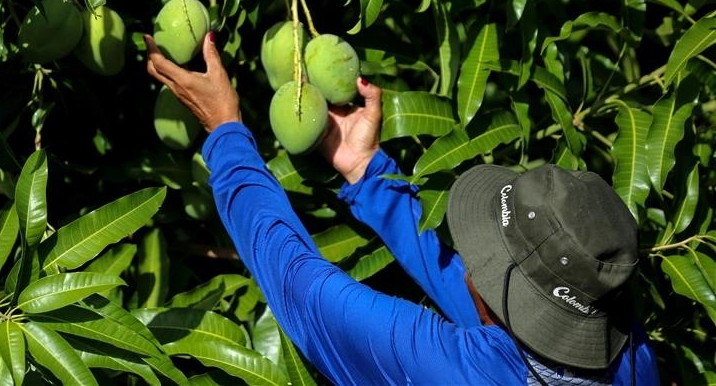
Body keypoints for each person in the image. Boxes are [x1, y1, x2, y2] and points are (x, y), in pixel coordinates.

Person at [144, 32, 660, 385]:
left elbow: (303, 290)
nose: (470, 256)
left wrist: (225, 132)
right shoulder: (630, 356)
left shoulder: (450, 370)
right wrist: (367, 171)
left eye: (482, 251)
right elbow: (482, 297)